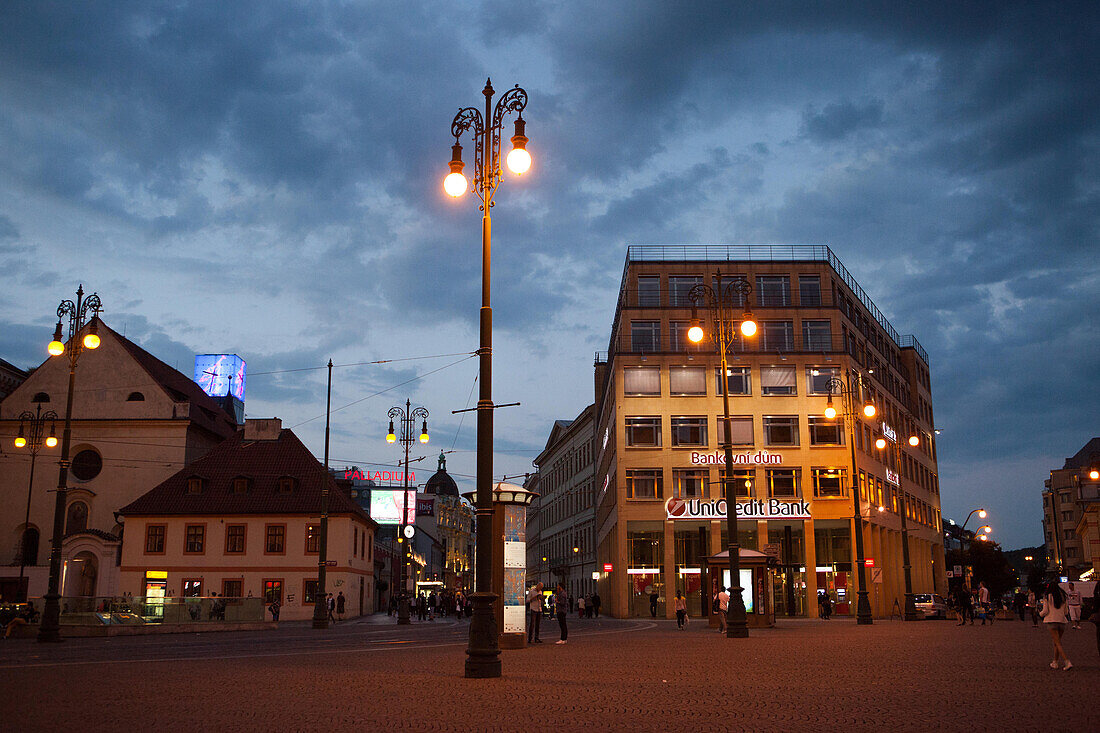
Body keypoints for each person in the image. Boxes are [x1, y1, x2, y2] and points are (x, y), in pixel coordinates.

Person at [1039, 580, 1072, 670]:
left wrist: (1040, 614)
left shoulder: (1047, 596)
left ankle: (1067, 661)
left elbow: (1045, 611)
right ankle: (1055, 662)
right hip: (1062, 621)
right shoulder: (1063, 596)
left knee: (1057, 643)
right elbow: (1066, 612)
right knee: (1056, 643)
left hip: (1052, 621)